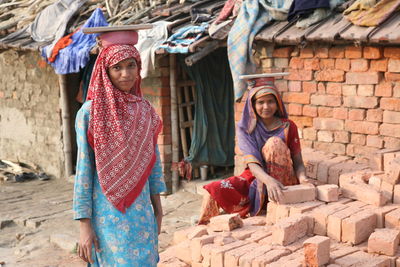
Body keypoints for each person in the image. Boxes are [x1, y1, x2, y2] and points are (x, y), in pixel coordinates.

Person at [73, 29, 166, 266]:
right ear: (105, 72)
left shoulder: (146, 110)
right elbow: (84, 170)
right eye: (117, 68)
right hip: (107, 215)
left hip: (143, 212)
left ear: (139, 67)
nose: (126, 74)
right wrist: (84, 225)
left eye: (131, 65)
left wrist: (158, 211)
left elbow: (153, 163)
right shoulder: (90, 114)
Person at [198, 74, 308, 224]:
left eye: (270, 102)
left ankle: (273, 203)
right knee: (213, 189)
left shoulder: (288, 126)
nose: (266, 107)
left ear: (278, 104)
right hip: (256, 176)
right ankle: (204, 230)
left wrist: (303, 179)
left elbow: (298, 163)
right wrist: (268, 181)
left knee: (274, 143)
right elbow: (253, 165)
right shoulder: (245, 129)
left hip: (283, 182)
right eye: (260, 102)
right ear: (252, 105)